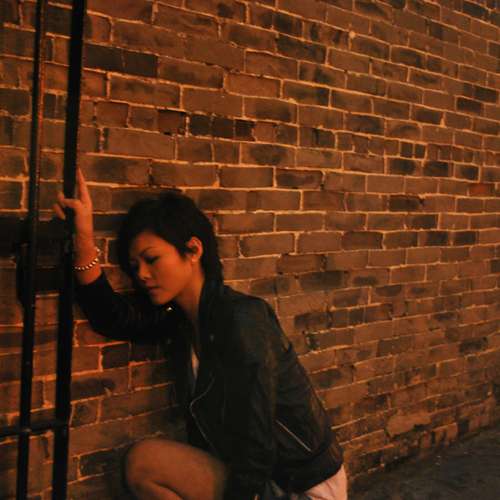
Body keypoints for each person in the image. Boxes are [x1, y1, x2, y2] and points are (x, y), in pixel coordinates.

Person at [53, 169, 347, 500]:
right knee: (142, 464)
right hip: (256, 478)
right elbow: (113, 318)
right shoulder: (179, 320)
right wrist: (84, 240)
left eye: (152, 259)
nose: (142, 275)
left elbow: (257, 442)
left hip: (300, 485)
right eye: (135, 267)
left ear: (193, 250)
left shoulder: (242, 318)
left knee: (146, 462)